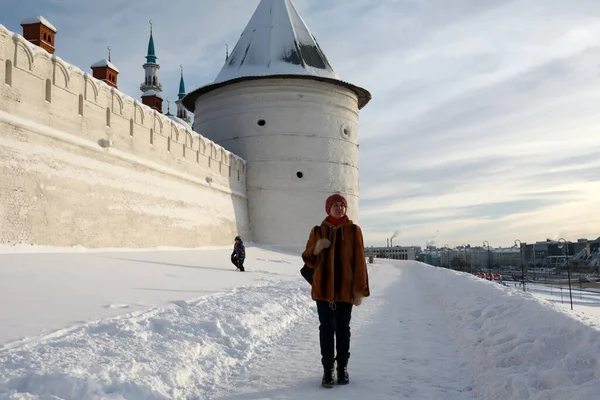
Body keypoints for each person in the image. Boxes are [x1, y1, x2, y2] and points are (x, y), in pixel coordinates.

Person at [301, 193, 370, 387]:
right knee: (326, 329)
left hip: (345, 291)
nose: (339, 208)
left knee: (343, 329)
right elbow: (307, 258)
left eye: (342, 205)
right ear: (328, 209)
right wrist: (316, 249)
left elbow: (359, 262)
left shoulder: (354, 231)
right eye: (335, 205)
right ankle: (328, 370)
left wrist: (359, 290)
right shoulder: (317, 231)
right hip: (323, 291)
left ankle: (342, 368)